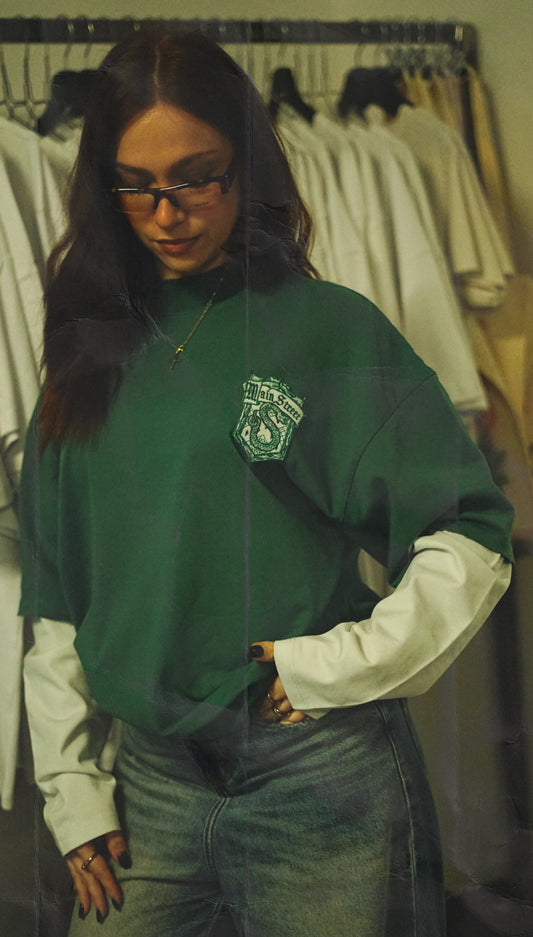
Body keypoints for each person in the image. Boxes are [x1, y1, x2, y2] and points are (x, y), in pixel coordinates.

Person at [18, 27, 513, 937]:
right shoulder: (85, 348)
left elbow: (468, 533)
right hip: (149, 782)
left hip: (315, 771)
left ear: (247, 163)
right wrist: (73, 788)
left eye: (196, 177)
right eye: (136, 185)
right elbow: (58, 597)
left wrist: (339, 663)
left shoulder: (326, 330)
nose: (166, 213)